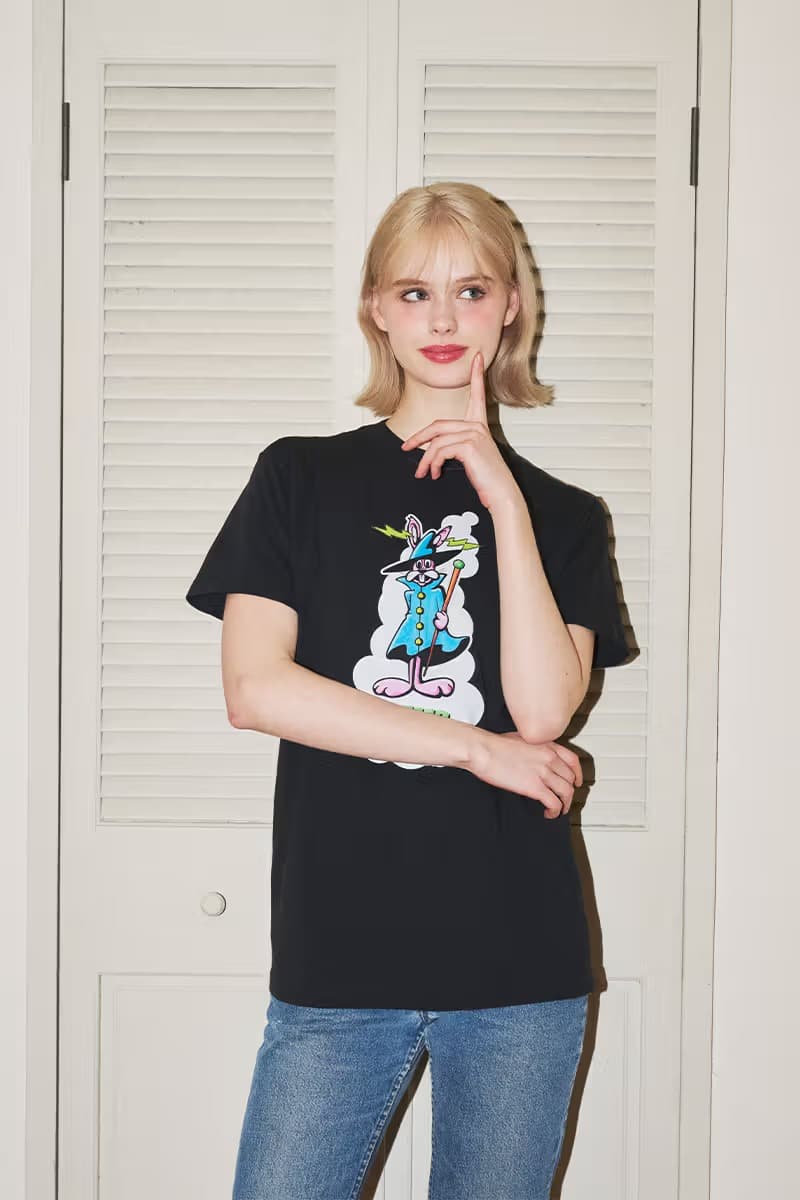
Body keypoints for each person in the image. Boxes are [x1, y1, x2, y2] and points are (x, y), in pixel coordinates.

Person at [186, 181, 629, 1200]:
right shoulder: (298, 478)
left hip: (520, 965)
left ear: (510, 306)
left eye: (470, 290)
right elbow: (256, 689)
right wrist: (475, 748)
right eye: (414, 291)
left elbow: (542, 713)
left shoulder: (564, 516)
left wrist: (501, 501)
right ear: (375, 310)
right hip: (338, 959)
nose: (442, 319)